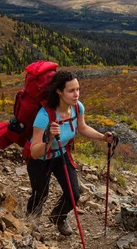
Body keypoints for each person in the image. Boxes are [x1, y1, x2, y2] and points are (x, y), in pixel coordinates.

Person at [26, 70, 114, 236]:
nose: (76, 94)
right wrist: (50, 139)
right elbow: (34, 152)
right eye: (71, 90)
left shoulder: (77, 108)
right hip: (40, 160)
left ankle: (58, 216)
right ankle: (30, 226)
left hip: (61, 154)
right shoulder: (44, 116)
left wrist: (102, 137)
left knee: (74, 193)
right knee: (40, 194)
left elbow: (82, 128)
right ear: (59, 91)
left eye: (78, 89)